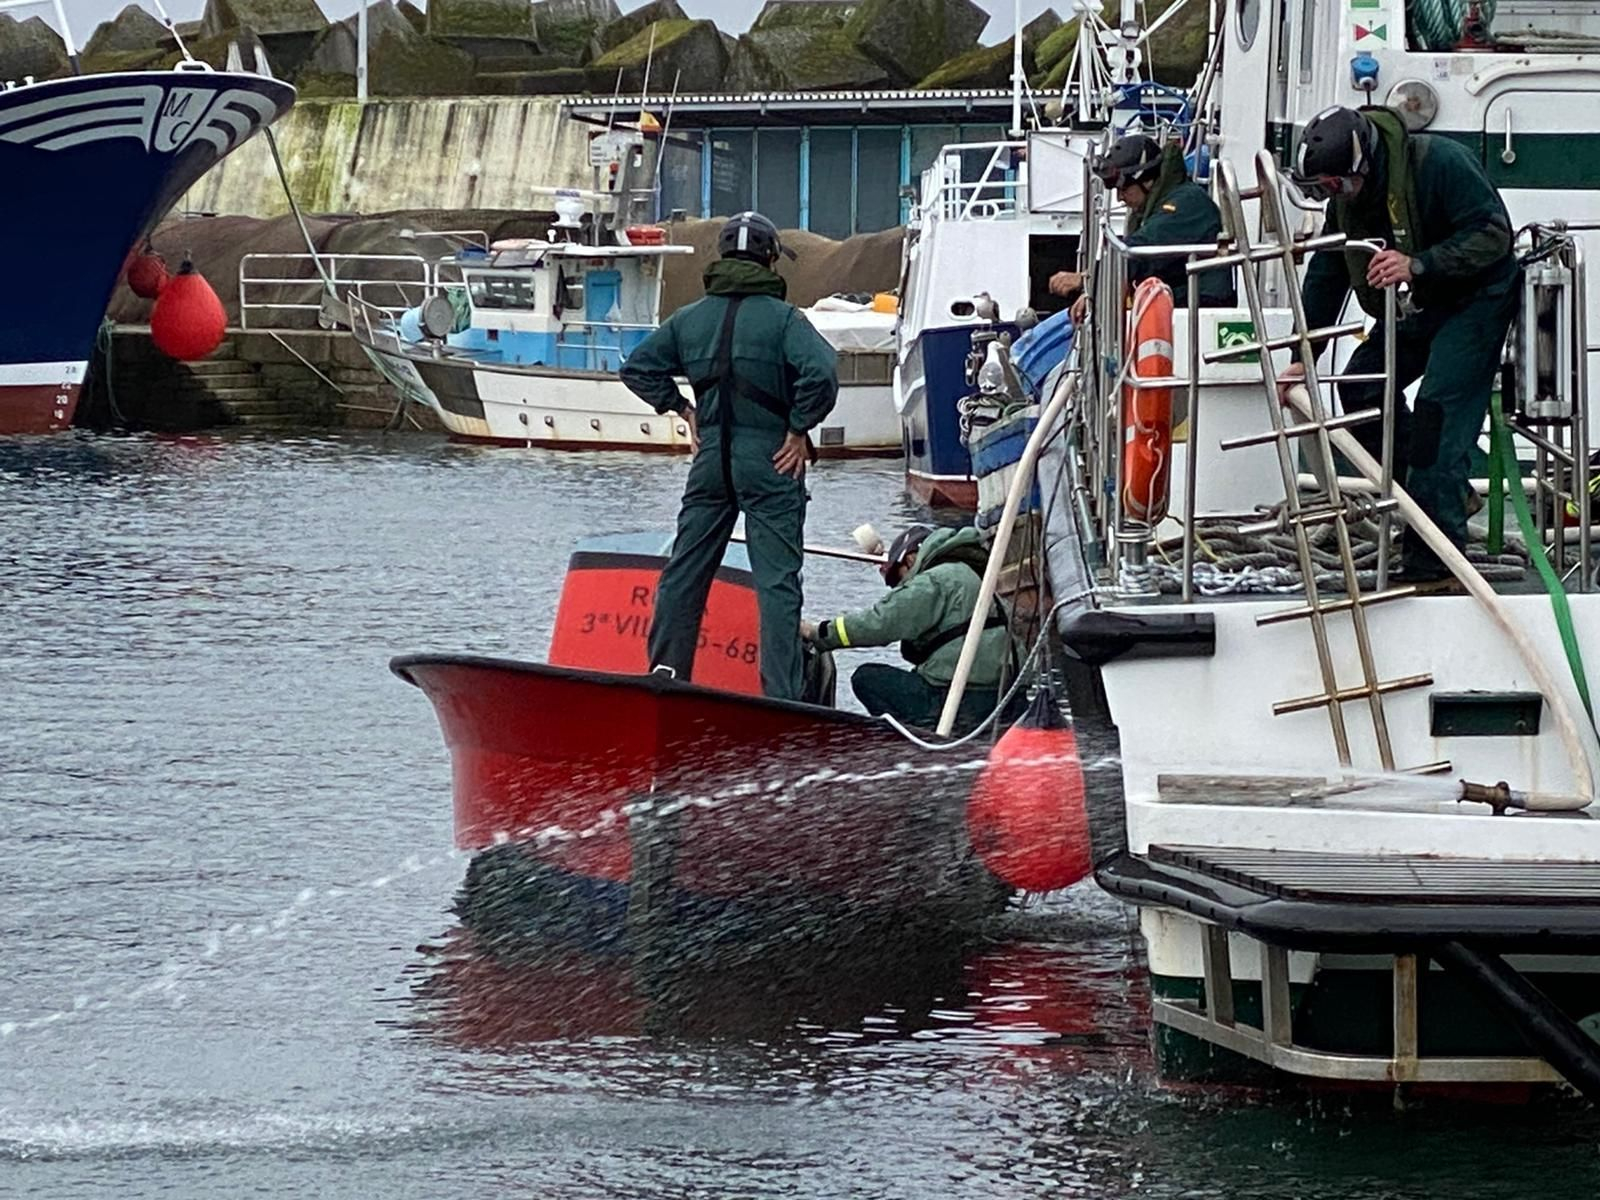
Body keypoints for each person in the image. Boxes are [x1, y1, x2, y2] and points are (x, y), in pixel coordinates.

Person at [1283, 105, 1519, 583]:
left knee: (1436, 415)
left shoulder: (1441, 163)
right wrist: (1300, 355)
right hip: (1425, 302)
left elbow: (1494, 235)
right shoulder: (1348, 202)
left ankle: (1434, 567)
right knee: (1361, 387)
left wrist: (1419, 263)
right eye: (1323, 189)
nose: (1333, 194)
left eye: (1335, 185)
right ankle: (1438, 491)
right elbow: (1329, 271)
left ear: (1361, 163)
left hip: (1477, 300)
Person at [620, 211, 839, 700]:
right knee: (777, 585)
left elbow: (637, 369)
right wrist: (799, 427)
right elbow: (822, 372)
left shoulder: (688, 318)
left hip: (711, 459)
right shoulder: (785, 321)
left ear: (722, 257)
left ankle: (665, 678)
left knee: (685, 572)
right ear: (768, 260)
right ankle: (779, 698)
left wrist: (682, 409)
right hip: (771, 458)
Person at [801, 525, 1017, 734]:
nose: (899, 587)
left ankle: (919, 738)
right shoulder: (972, 577)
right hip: (1004, 697)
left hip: (961, 698)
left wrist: (820, 632)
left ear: (911, 559)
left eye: (898, 577)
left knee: (867, 678)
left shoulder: (935, 579)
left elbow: (881, 623)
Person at [1049, 134, 1236, 321]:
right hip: (1181, 300)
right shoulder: (1163, 201)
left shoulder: (1185, 205)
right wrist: (1095, 292)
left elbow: (1141, 251)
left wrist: (1086, 279)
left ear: (1146, 180)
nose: (1120, 198)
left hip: (1200, 308)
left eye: (1124, 188)